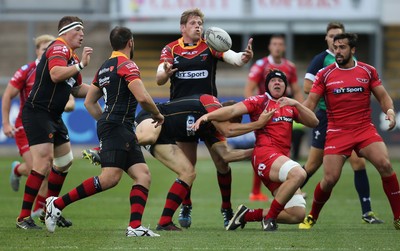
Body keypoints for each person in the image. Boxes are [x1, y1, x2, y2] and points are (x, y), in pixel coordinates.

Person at [44, 26, 164, 237]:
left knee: (143, 175)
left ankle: (135, 227)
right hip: (119, 126)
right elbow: (143, 97)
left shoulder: (105, 67)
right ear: (131, 43)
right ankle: (57, 204)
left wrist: (106, 121)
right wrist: (157, 115)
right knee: (109, 178)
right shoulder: (127, 64)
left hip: (118, 126)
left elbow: (90, 101)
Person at [155, 8, 253, 228]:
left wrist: (243, 57)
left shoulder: (210, 44)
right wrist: (165, 72)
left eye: (200, 22)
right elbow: (160, 76)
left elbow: (234, 59)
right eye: (193, 23)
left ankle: (226, 209)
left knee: (222, 162)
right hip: (184, 115)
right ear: (183, 27)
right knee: (187, 166)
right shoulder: (171, 49)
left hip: (211, 114)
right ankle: (186, 204)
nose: (198, 26)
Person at [193, 70, 319, 231]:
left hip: (280, 162)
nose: (277, 83)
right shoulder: (259, 101)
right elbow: (232, 111)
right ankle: (270, 219)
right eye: (273, 80)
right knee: (299, 174)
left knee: (297, 214)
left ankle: (247, 215)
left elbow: (314, 122)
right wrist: (208, 116)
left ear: (286, 86)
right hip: (265, 156)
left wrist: (296, 103)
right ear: (267, 85)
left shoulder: (289, 105)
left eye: (280, 81)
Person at [298, 33, 400, 230]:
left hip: (364, 130)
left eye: (342, 47)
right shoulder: (325, 74)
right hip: (337, 131)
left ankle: (398, 217)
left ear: (353, 50)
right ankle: (312, 215)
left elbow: (384, 97)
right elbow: (310, 103)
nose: (338, 51)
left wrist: (389, 111)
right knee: (330, 179)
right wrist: (292, 115)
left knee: (385, 164)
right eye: (335, 47)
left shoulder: (367, 71)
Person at [134, 94, 270, 231]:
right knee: (149, 137)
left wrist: (260, 149)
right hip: (153, 115)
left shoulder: (213, 130)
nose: (236, 125)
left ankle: (164, 222)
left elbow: (226, 156)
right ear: (226, 114)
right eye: (235, 121)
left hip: (165, 135)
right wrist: (259, 124)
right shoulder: (210, 101)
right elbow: (227, 130)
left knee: (188, 173)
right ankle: (119, 142)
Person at [15, 16, 93, 230]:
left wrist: (102, 88)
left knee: (65, 161)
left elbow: (76, 89)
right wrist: (80, 65)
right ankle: (24, 217)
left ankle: (50, 210)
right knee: (43, 163)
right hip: (38, 113)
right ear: (66, 31)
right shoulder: (59, 47)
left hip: (53, 116)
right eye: (78, 29)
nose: (82, 34)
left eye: (83, 30)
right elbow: (56, 74)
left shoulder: (71, 55)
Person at [2, 34, 76, 219]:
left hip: (47, 121)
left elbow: (71, 96)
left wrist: (67, 104)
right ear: (37, 51)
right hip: (25, 124)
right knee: (38, 166)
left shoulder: (61, 68)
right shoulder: (27, 70)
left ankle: (42, 209)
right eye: (44, 50)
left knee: (49, 165)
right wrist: (5, 122)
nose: (48, 53)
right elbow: (7, 95)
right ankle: (18, 171)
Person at [242, 34, 304, 201]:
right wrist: (255, 113)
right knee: (265, 150)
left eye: (280, 44)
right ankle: (256, 191)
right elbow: (249, 89)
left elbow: (296, 89)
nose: (277, 47)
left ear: (284, 47)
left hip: (283, 111)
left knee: (282, 147)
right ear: (270, 47)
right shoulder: (261, 65)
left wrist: (301, 107)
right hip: (265, 113)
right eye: (274, 44)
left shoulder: (290, 67)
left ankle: (287, 186)